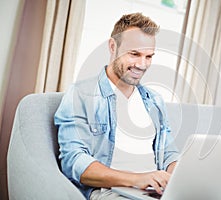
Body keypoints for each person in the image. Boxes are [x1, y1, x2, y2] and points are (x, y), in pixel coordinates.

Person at [54, 12, 179, 200]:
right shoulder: (81, 94)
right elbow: (74, 162)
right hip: (111, 192)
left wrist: (179, 178)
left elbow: (168, 153)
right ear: (113, 46)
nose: (142, 65)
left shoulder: (154, 100)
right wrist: (137, 179)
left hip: (155, 193)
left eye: (149, 56)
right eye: (134, 54)